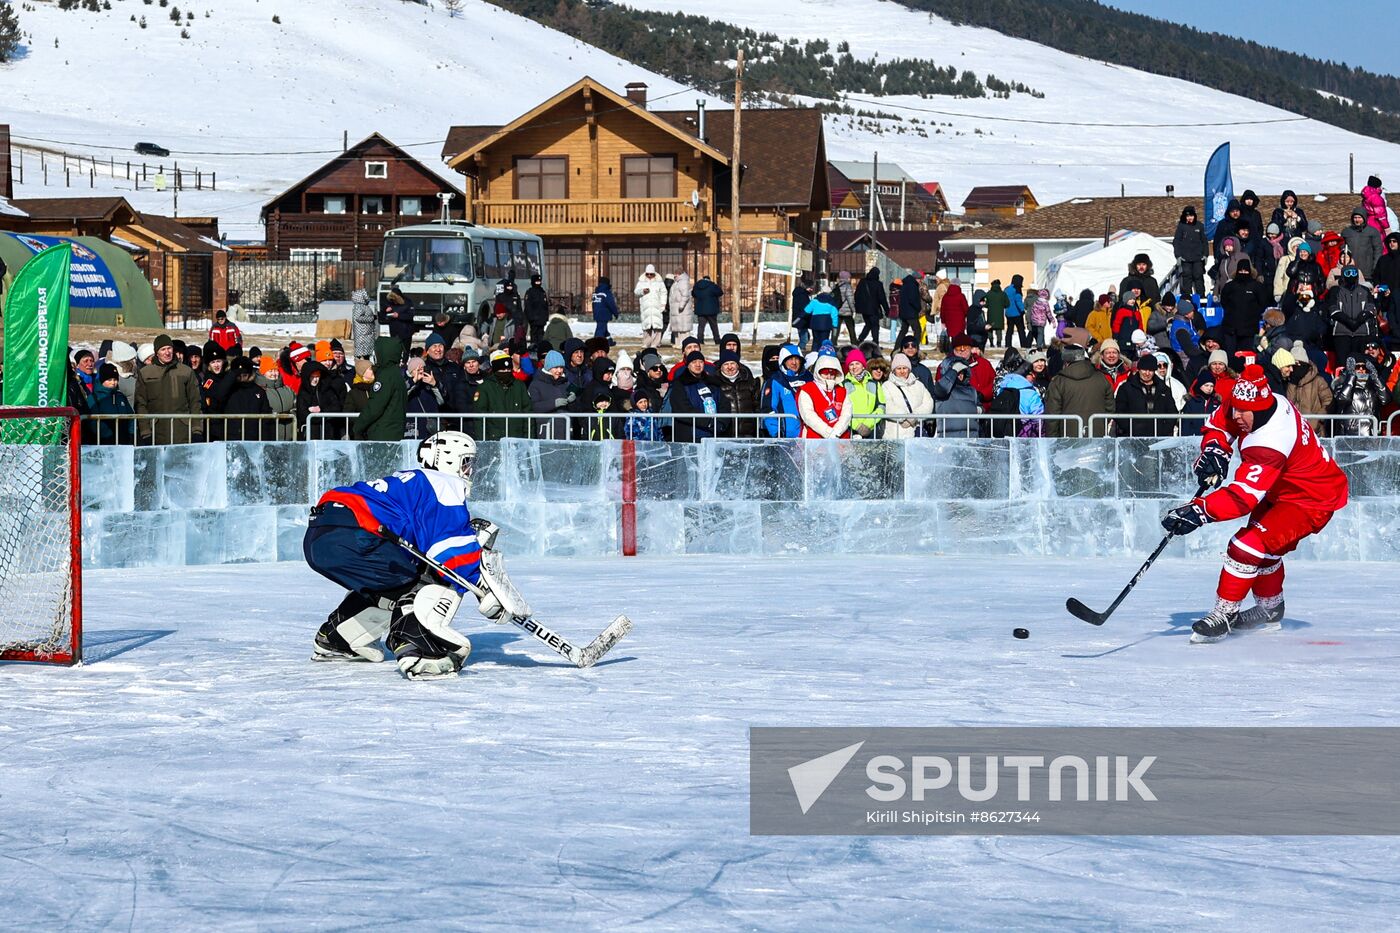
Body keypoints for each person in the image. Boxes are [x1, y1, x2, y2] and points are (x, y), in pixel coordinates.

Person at [304, 431, 516, 680]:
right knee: (429, 577)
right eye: (466, 461)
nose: (469, 469)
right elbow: (451, 551)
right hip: (358, 534)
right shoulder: (443, 482)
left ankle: (339, 637)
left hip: (319, 535)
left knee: (395, 579)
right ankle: (418, 646)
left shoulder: (414, 482)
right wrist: (485, 588)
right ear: (447, 458)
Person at [1165, 365, 1349, 642]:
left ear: (1260, 410)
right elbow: (1220, 423)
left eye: (1243, 412)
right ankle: (1270, 609)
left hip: (1311, 499)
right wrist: (1216, 448)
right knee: (1263, 549)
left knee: (1245, 546)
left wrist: (1199, 511)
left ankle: (1224, 614)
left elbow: (1243, 498)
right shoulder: (1256, 399)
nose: (1236, 415)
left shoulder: (1270, 443)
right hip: (1281, 491)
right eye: (1235, 408)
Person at [134, 333, 203, 445]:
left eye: (169, 348)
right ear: (157, 352)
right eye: (163, 349)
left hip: (182, 432)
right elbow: (141, 404)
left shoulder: (186, 371)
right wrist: (145, 431)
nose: (167, 352)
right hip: (156, 432)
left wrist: (196, 429)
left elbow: (195, 402)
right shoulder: (146, 373)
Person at [350, 338, 407, 441]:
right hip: (393, 432)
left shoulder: (385, 377)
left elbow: (375, 406)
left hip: (383, 433)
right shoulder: (396, 374)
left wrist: (357, 427)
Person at [668, 351, 727, 442]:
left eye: (700, 362)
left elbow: (724, 404)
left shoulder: (712, 383)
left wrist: (722, 423)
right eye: (694, 362)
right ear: (688, 365)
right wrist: (708, 422)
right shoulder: (680, 384)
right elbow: (682, 409)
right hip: (690, 436)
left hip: (714, 435)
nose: (698, 365)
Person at [1113, 356, 1177, 437]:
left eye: (1150, 370)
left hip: (1158, 437)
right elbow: (1119, 412)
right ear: (1138, 369)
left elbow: (1172, 412)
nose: (1147, 373)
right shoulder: (1126, 388)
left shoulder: (1163, 389)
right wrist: (1131, 429)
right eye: (1144, 370)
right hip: (1133, 437)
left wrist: (1163, 430)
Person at [1328, 265, 1378, 368]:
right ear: (1342, 276)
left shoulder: (1364, 290)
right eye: (1347, 273)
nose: (1351, 276)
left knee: (1360, 363)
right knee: (1342, 363)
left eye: (1353, 273)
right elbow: (1332, 309)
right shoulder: (1335, 290)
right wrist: (1348, 321)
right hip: (1342, 332)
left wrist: (1359, 320)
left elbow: (1371, 307)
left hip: (1361, 331)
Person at [796, 351, 850, 439]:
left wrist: (836, 432)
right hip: (814, 440)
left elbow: (846, 414)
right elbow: (808, 415)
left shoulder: (842, 391)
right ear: (818, 372)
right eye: (825, 373)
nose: (829, 376)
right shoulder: (807, 389)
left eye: (832, 373)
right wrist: (828, 432)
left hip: (840, 440)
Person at [883, 352, 934, 439]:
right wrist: (904, 417)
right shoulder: (887, 386)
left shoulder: (918, 385)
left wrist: (915, 416)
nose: (902, 371)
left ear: (909, 369)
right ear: (894, 370)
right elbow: (887, 405)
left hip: (915, 433)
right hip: (895, 434)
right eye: (899, 368)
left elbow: (928, 403)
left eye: (905, 368)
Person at [761, 344, 808, 438]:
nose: (794, 363)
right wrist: (776, 433)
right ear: (783, 361)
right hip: (785, 436)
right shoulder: (775, 381)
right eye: (790, 359)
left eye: (797, 359)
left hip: (809, 436)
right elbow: (768, 409)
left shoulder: (809, 379)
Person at [714, 348, 759, 438]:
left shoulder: (748, 381)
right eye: (726, 364)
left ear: (738, 365)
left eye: (732, 363)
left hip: (747, 434)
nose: (730, 367)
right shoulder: (715, 383)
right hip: (724, 435)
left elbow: (757, 405)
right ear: (721, 367)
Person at [1173, 207, 1208, 297]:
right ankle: (1186, 297)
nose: (1190, 218)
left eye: (1191, 216)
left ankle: (1201, 297)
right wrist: (1178, 255)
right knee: (1187, 277)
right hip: (1185, 258)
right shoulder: (1181, 226)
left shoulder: (1199, 225)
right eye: (1187, 216)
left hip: (1198, 258)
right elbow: (1176, 241)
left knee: (1198, 276)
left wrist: (1205, 254)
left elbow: (1204, 241)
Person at [1341, 206, 1383, 280]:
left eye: (1359, 218)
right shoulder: (1346, 232)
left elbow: (1378, 250)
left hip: (1367, 270)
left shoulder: (1372, 232)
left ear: (1364, 218)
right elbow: (1341, 250)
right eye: (1355, 218)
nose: (1357, 220)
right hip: (1350, 270)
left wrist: (1375, 267)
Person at [855, 267, 889, 347]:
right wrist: (887, 309)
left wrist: (859, 306)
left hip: (863, 309)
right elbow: (882, 298)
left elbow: (857, 295)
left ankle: (860, 339)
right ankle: (875, 342)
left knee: (868, 324)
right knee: (875, 326)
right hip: (874, 308)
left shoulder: (862, 282)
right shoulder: (878, 284)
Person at [692, 274, 724, 345]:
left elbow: (693, 294)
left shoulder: (697, 286)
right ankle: (717, 340)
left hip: (700, 309)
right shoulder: (712, 286)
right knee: (714, 326)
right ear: (709, 279)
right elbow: (720, 292)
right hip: (711, 310)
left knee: (701, 326)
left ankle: (700, 340)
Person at [667, 270, 694, 347]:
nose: (674, 275)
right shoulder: (677, 282)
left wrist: (681, 305)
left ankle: (684, 344)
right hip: (676, 310)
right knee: (677, 328)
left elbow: (685, 295)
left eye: (675, 274)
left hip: (682, 310)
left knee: (684, 329)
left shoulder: (683, 282)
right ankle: (678, 343)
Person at [351, 286, 378, 361]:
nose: (367, 297)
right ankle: (362, 365)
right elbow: (358, 318)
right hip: (362, 335)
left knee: (367, 352)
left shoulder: (363, 306)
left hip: (366, 333)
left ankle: (366, 362)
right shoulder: (359, 307)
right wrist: (372, 318)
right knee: (362, 352)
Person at [523, 274, 550, 348]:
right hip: (534, 320)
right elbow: (527, 306)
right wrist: (531, 317)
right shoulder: (530, 292)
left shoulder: (542, 292)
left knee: (541, 335)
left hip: (541, 319)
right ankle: (533, 348)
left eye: (539, 282)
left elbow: (545, 305)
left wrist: (546, 316)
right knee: (534, 335)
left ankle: (540, 347)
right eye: (536, 282)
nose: (538, 283)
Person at [590, 276, 619, 343]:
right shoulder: (606, 293)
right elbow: (611, 304)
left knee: (603, 328)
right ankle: (597, 343)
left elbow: (593, 304)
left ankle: (609, 341)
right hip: (604, 314)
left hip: (597, 314)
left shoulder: (596, 293)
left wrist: (595, 312)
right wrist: (616, 313)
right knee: (600, 330)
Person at [984, 279, 1008, 348]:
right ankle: (999, 343)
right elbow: (1007, 304)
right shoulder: (1003, 294)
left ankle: (991, 343)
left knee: (990, 329)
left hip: (990, 315)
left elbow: (984, 304)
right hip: (999, 315)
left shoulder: (988, 293)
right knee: (999, 330)